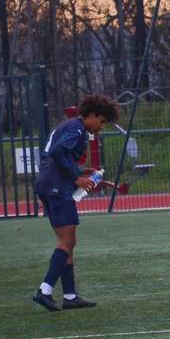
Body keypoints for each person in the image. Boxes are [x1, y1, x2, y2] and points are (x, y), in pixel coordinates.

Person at [32, 94, 119, 311]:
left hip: (48, 183)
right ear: (93, 115)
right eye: (101, 122)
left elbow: (56, 156)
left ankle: (70, 296)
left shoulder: (70, 126)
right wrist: (76, 177)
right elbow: (58, 152)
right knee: (67, 241)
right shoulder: (78, 129)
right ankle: (44, 290)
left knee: (68, 241)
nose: (100, 128)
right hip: (57, 186)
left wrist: (83, 172)